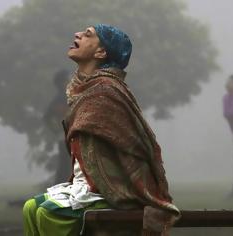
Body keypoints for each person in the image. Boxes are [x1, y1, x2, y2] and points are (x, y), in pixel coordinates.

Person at [23, 24, 180, 236]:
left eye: (88, 34)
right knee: (30, 208)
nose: (77, 34)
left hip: (110, 191)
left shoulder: (105, 90)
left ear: (101, 52)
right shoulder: (86, 90)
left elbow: (134, 146)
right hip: (83, 186)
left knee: (49, 214)